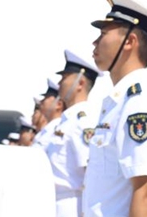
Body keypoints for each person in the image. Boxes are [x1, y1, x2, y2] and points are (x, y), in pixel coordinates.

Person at [82, 0, 147, 217]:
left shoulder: (138, 104)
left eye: (103, 33)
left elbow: (146, 193)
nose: (95, 42)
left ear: (129, 41)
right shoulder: (119, 102)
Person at [46, 49, 101, 217]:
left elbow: (90, 174)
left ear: (80, 83)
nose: (60, 83)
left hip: (71, 206)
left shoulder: (83, 122)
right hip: (55, 202)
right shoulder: (67, 120)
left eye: (64, 77)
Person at [33, 78, 64, 148]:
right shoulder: (46, 131)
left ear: (58, 104)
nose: (42, 101)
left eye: (46, 97)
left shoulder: (58, 131)